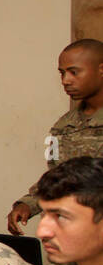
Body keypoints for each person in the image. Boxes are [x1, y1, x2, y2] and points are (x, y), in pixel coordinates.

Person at [7, 39, 103, 235]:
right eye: (62, 73)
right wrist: (29, 204)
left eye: (74, 72)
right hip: (69, 235)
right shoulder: (63, 126)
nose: (65, 80)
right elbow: (56, 178)